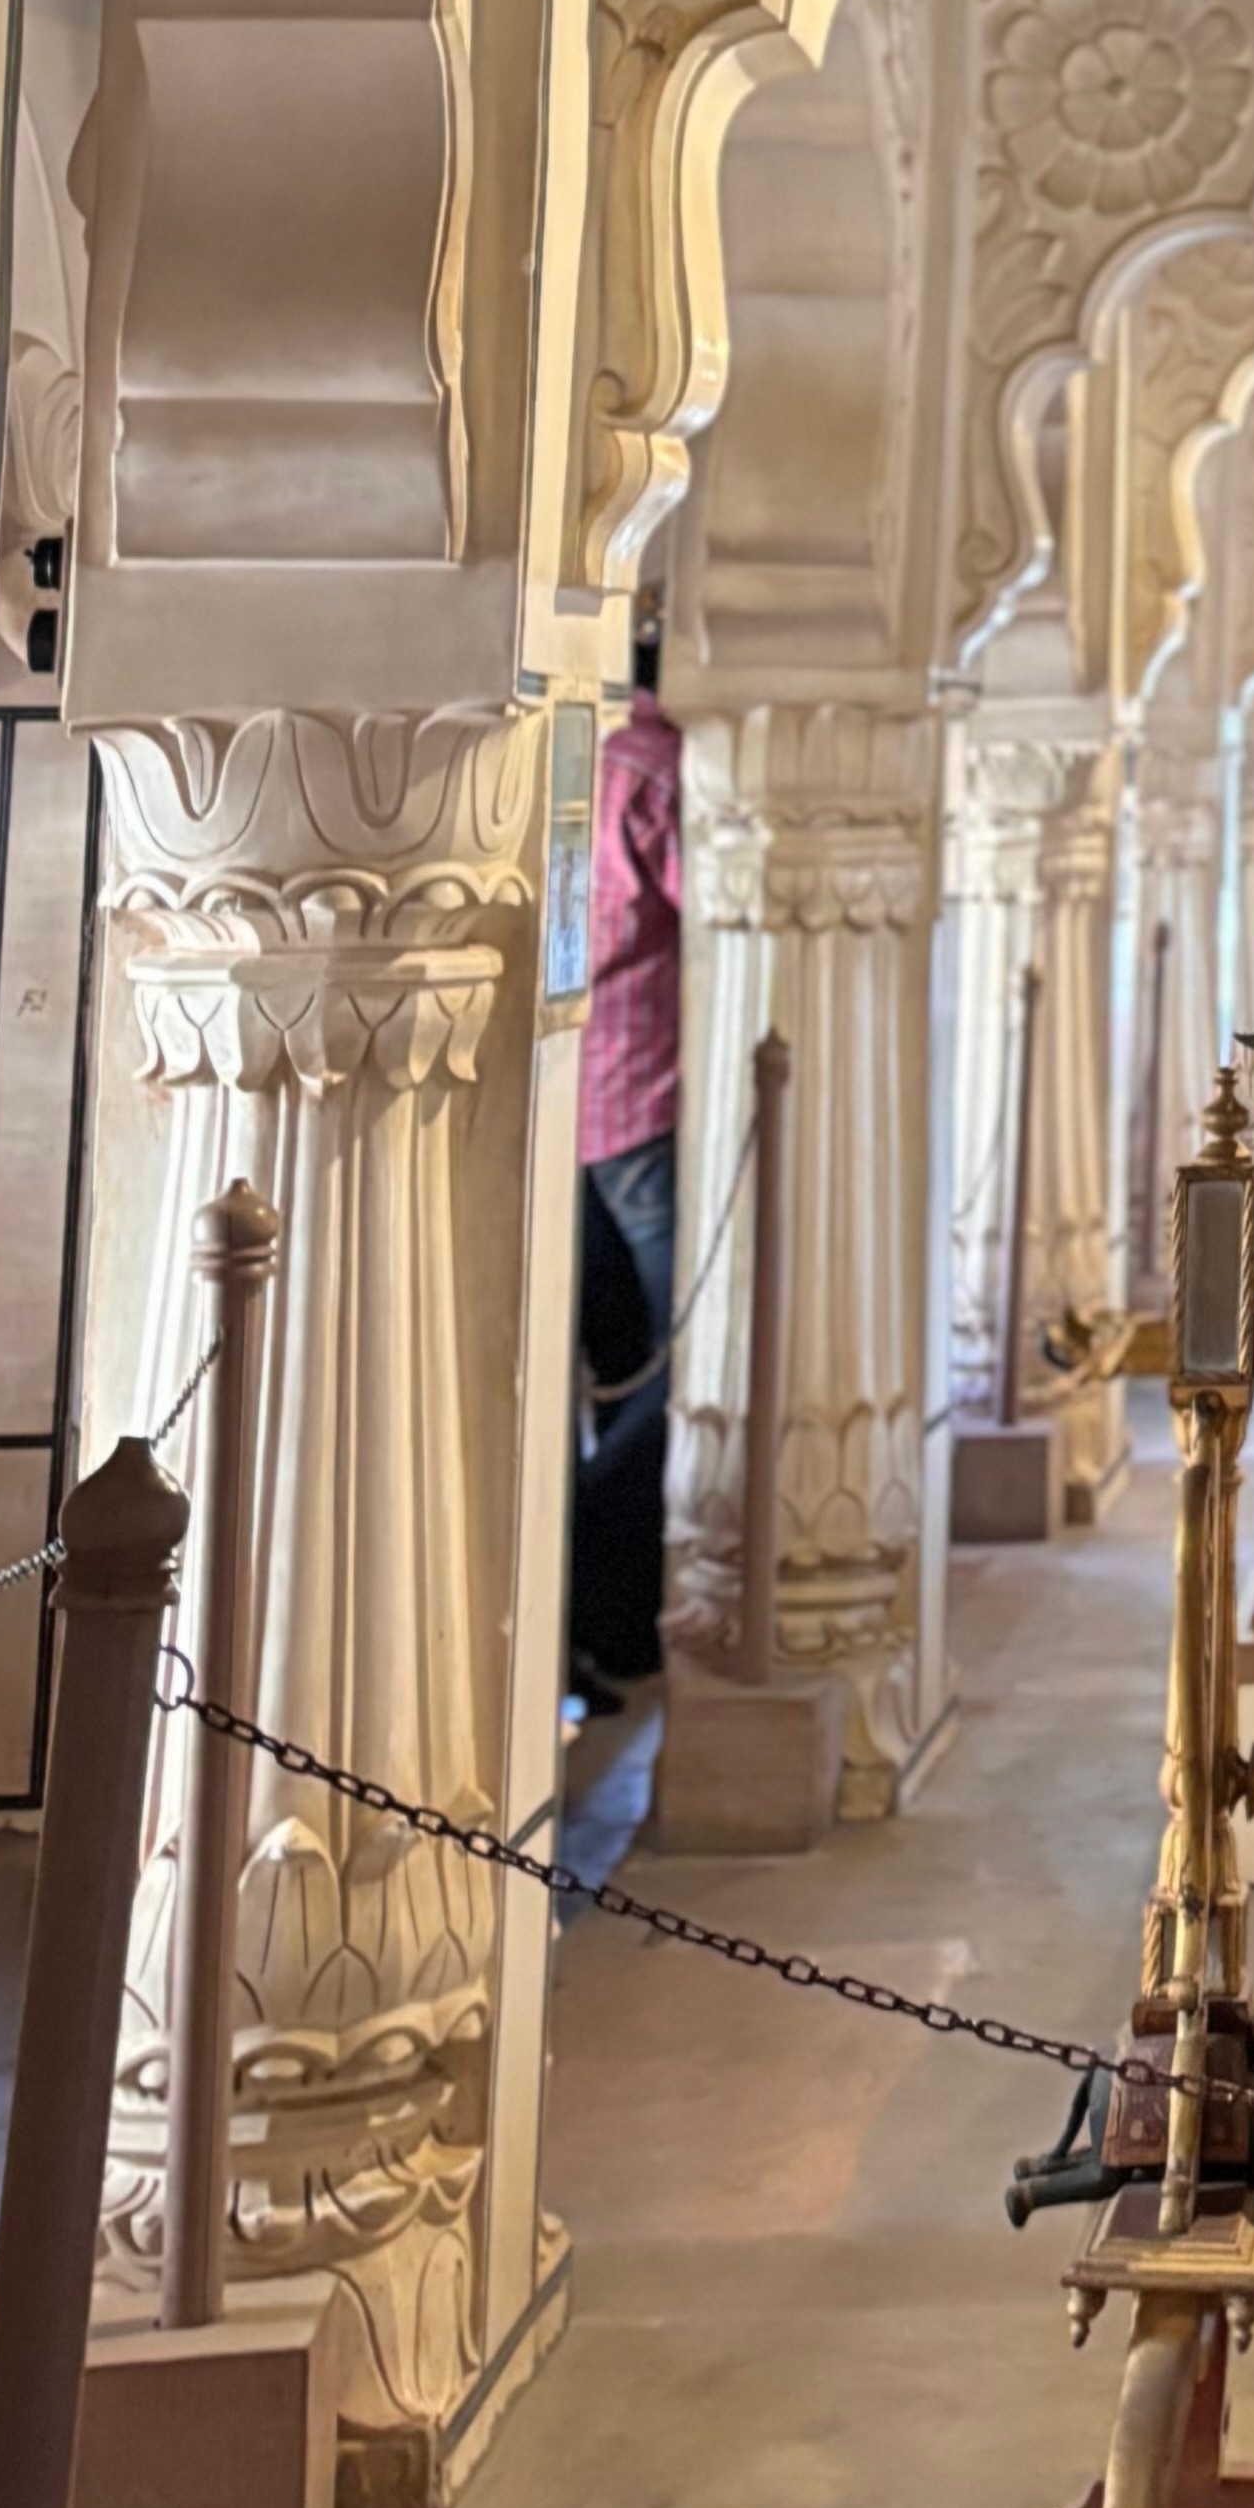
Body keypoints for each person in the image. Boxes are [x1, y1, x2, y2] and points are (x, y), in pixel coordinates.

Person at [566, 623, 685, 1708]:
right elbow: (725, 909)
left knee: (597, 1375)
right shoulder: (655, 764)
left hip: (566, 1110)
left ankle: (582, 1636)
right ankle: (602, 1596)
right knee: (673, 1367)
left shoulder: (562, 744)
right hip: (647, 1105)